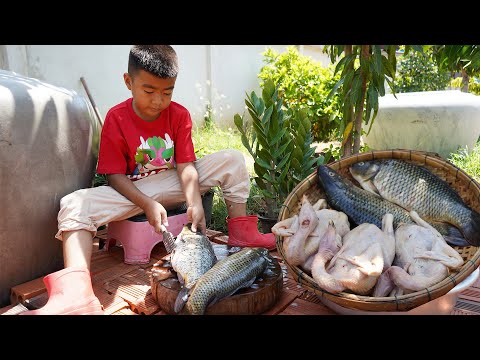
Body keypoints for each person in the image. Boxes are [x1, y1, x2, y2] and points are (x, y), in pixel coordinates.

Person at [19, 45, 276, 315]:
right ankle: (76, 294)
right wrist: (147, 203)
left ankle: (242, 235)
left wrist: (194, 202)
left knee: (232, 159)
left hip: (174, 182)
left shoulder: (179, 115)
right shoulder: (117, 118)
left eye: (167, 92)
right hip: (133, 190)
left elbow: (187, 166)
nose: (158, 101)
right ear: (128, 82)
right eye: (149, 91)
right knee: (73, 203)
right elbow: (114, 176)